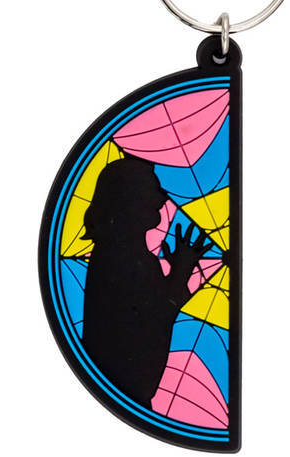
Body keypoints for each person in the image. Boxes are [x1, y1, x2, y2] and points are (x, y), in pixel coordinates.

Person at [82, 158, 211, 407]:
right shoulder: (123, 256)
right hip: (126, 394)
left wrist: (178, 272)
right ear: (129, 200)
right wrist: (180, 272)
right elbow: (156, 318)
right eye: (153, 189)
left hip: (125, 396)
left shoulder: (115, 252)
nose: (162, 199)